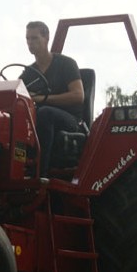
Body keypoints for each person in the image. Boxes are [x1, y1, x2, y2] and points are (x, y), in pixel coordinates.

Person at [20, 20, 84, 177]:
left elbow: (78, 96)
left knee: (45, 113)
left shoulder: (66, 64)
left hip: (71, 120)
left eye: (34, 38)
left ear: (46, 38)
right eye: (28, 38)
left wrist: (41, 99)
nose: (30, 43)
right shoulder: (28, 73)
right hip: (40, 117)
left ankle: (39, 173)